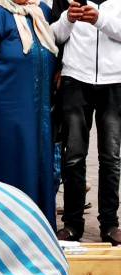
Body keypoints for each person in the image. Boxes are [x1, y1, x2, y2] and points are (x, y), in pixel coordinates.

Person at [0, 0, 58, 227]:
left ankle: (36, 233)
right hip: (4, 121)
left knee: (37, 172)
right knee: (6, 175)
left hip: (39, 119)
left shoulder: (42, 14)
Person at [52, 0, 121, 245]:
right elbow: (54, 36)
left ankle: (110, 224)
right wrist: (68, 19)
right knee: (73, 157)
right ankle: (72, 224)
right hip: (76, 79)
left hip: (114, 82)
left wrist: (99, 19)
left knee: (111, 157)